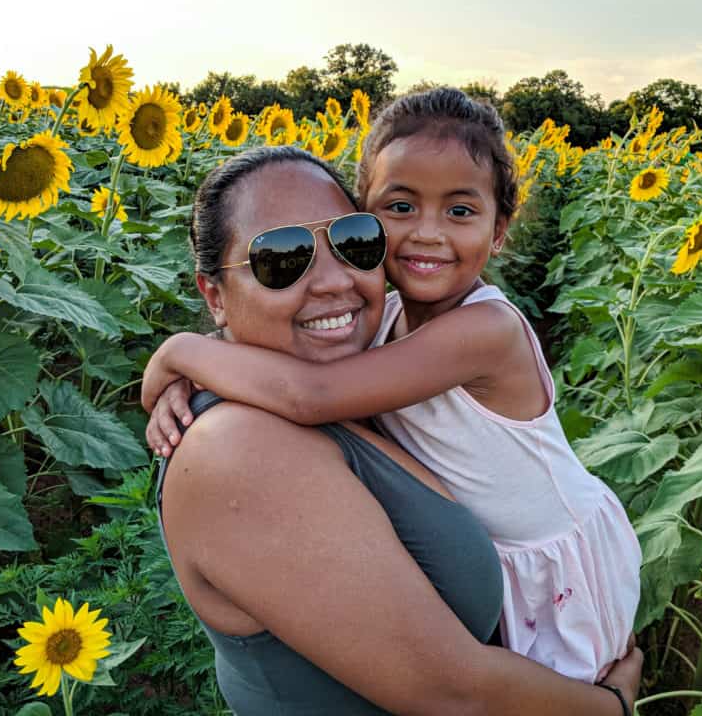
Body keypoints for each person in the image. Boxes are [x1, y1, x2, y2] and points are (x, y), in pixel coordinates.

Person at [144, 89, 642, 686]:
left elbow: (311, 393)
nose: (427, 234)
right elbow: (292, 370)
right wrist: (200, 369)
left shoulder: (484, 330)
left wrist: (181, 353)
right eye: (399, 209)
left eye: (460, 212)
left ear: (500, 231)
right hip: (504, 561)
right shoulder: (383, 320)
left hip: (551, 567)